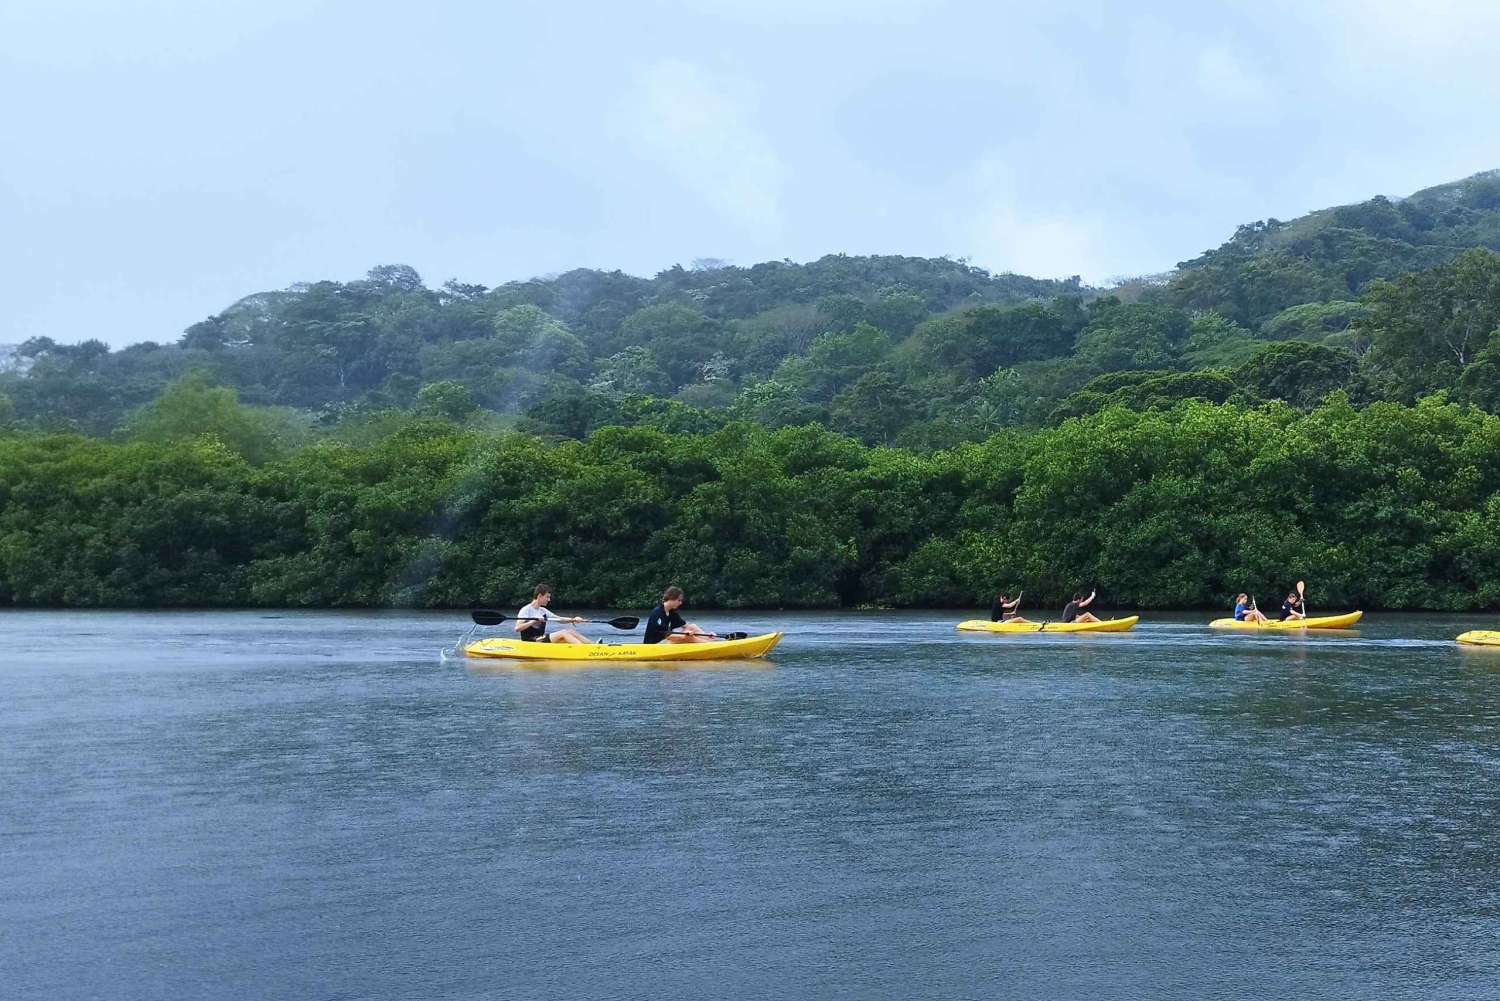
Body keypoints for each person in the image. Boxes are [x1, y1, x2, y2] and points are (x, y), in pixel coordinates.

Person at [514, 583, 589, 644]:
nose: (549, 600)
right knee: (563, 633)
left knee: (571, 631)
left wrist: (574, 620)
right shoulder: (526, 610)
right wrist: (533, 621)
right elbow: (517, 628)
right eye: (547, 597)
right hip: (531, 641)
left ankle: (594, 647)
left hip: (540, 639)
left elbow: (559, 619)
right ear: (540, 596)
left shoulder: (543, 610)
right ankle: (583, 650)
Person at [643, 587, 716, 644]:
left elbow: (686, 626)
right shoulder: (657, 613)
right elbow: (665, 635)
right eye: (679, 600)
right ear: (671, 598)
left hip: (667, 640)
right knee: (688, 637)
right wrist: (684, 635)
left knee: (692, 627)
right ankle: (711, 646)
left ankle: (709, 640)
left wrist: (707, 635)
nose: (681, 603)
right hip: (655, 644)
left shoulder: (672, 612)